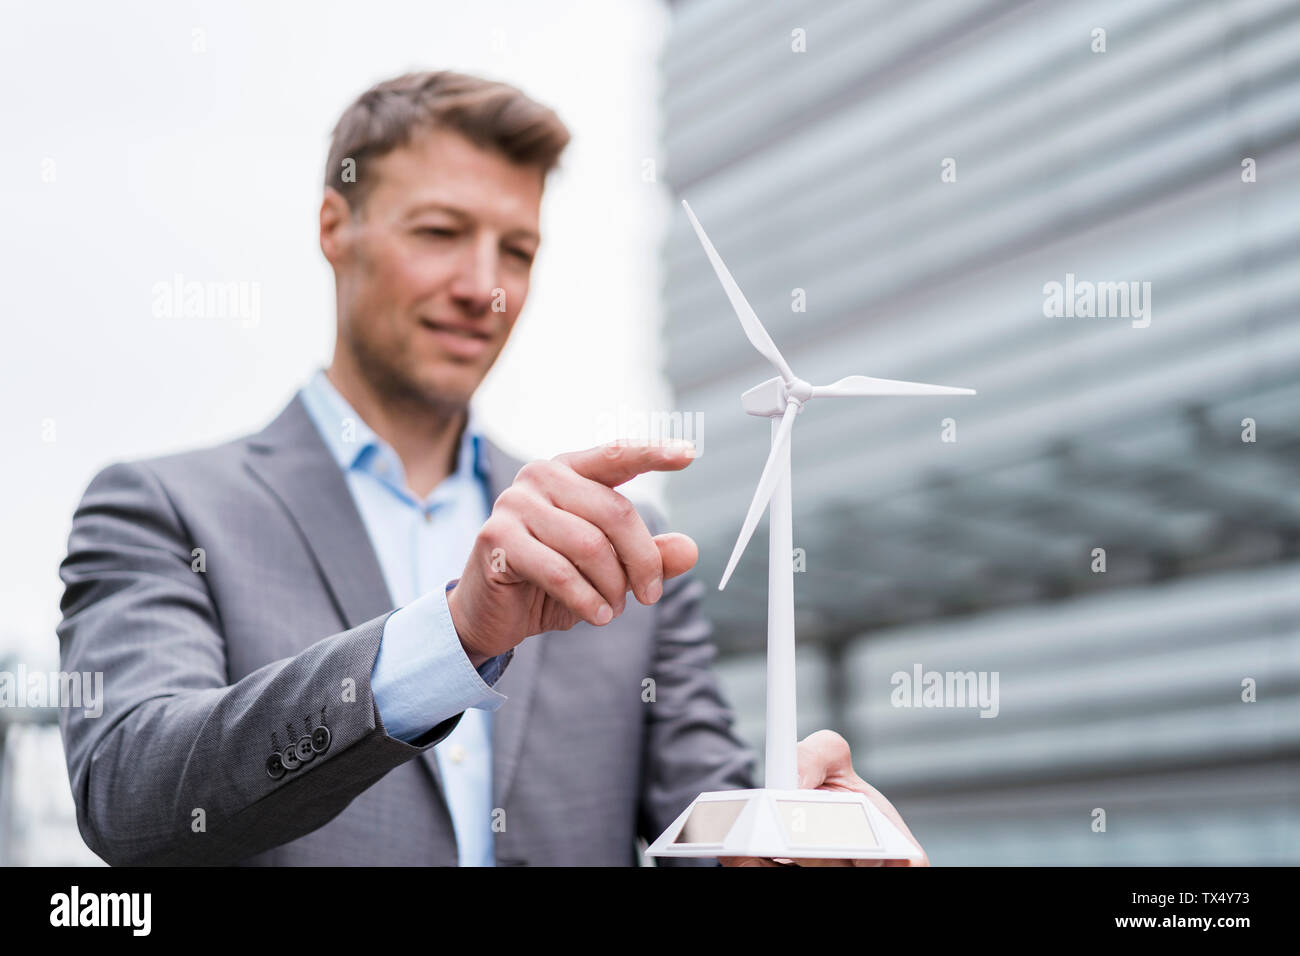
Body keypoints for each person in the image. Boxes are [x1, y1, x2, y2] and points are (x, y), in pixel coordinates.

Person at [56, 70, 927, 867]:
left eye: (517, 250)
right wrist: (453, 640)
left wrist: (777, 834)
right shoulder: (166, 510)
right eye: (440, 232)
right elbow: (132, 796)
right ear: (336, 226)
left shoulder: (623, 543)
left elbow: (693, 825)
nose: (485, 286)